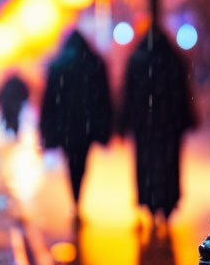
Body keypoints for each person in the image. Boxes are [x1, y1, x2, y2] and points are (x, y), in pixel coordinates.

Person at [117, 26, 198, 225]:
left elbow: (128, 96)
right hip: (170, 125)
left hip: (145, 126)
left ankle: (151, 201)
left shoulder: (136, 61)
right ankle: (168, 202)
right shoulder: (174, 60)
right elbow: (183, 93)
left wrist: (123, 121)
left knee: (147, 164)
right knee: (169, 163)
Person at [39, 30, 112, 213]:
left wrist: (47, 128)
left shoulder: (57, 66)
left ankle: (75, 198)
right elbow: (104, 98)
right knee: (82, 161)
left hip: (66, 126)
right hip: (86, 125)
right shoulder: (94, 64)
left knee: (71, 162)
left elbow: (49, 100)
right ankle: (79, 195)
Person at [0, 73, 30, 137]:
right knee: (15, 120)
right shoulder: (19, 83)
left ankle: (9, 135)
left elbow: (0, 96)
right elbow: (26, 93)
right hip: (16, 106)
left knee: (8, 120)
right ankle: (14, 134)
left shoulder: (5, 84)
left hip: (7, 107)